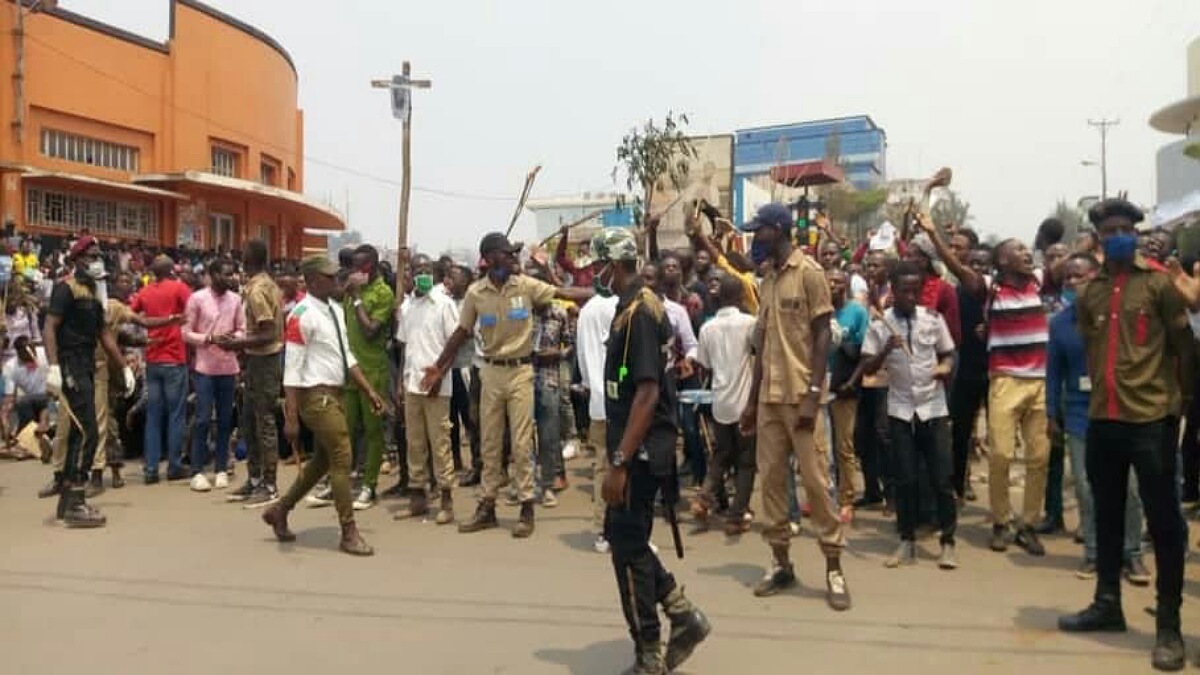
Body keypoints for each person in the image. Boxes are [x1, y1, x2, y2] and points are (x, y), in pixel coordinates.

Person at [1058, 199, 1192, 672]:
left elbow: (1185, 350)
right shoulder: (1089, 291)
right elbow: (1091, 350)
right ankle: (1107, 604)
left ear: (1136, 233)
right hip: (1104, 421)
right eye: (1110, 229)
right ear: (1097, 237)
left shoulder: (1159, 284)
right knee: (1107, 516)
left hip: (1151, 420)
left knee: (1164, 524)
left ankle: (1169, 627)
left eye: (1127, 228)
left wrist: (1182, 409)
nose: (1120, 235)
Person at [591, 227, 710, 674]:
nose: (594, 273)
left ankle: (649, 653)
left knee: (629, 551)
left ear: (615, 264)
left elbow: (644, 393)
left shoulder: (641, 312)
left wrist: (620, 462)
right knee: (630, 542)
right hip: (637, 443)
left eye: (598, 264)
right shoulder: (632, 307)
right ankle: (682, 614)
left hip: (639, 450)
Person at [420, 232, 592, 539]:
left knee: (523, 442)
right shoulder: (476, 293)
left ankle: (527, 506)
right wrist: (439, 366)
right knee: (490, 443)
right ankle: (488, 505)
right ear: (490, 258)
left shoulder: (524, 285)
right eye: (507, 253)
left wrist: (599, 291)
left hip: (521, 371)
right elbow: (461, 333)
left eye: (514, 254)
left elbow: (565, 292)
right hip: (490, 372)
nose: (514, 258)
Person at [738, 203, 851, 610]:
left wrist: (812, 392)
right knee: (770, 485)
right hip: (769, 399)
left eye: (760, 231)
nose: (755, 237)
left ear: (780, 230)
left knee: (818, 485)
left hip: (801, 396)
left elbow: (823, 335)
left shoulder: (810, 274)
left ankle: (834, 569)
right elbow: (762, 346)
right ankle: (781, 562)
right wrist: (751, 403)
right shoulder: (767, 280)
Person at [917, 214, 1049, 556]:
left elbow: (1069, 263)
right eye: (1017, 249)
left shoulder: (1038, 281)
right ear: (1002, 261)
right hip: (1004, 379)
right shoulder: (990, 288)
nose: (1025, 252)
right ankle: (1001, 521)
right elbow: (960, 271)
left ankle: (1029, 524)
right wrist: (933, 233)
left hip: (1039, 382)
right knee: (1002, 454)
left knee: (1039, 456)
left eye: (1026, 247)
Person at [260, 255, 386, 557]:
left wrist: (369, 390)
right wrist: (291, 417)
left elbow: (347, 355)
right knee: (343, 455)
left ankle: (281, 510)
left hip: (336, 392)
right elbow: (291, 369)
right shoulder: (301, 315)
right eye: (331, 278)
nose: (337, 282)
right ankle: (348, 532)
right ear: (314, 281)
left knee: (322, 461)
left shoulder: (334, 309)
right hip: (315, 396)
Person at [1046, 253, 1149, 583]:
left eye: (1080, 276)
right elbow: (1054, 372)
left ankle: (1132, 554)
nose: (1073, 283)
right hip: (1079, 415)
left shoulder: (1118, 316)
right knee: (1087, 488)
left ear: (1097, 277)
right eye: (1068, 279)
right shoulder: (1060, 323)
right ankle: (1093, 552)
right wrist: (1051, 413)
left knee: (1130, 489)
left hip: (1122, 412)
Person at [861, 261, 958, 569]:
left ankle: (948, 542)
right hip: (901, 409)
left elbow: (949, 353)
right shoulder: (880, 324)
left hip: (933, 407)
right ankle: (906, 540)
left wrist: (945, 368)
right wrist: (885, 350)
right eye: (905, 291)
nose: (911, 297)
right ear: (893, 290)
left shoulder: (933, 319)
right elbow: (866, 368)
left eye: (916, 291)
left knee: (942, 478)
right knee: (905, 478)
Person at [43, 236, 134, 528]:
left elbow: (104, 335)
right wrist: (54, 366)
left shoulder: (95, 293)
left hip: (87, 364)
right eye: (91, 256)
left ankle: (67, 499)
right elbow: (49, 326)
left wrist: (124, 368)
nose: (96, 261)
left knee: (79, 434)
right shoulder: (66, 288)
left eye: (98, 256)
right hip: (70, 363)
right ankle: (77, 500)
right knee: (87, 432)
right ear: (77, 258)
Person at [217, 239, 285, 507]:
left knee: (264, 422)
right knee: (249, 421)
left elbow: (268, 332)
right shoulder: (266, 283)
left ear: (248, 260)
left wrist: (236, 344)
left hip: (265, 361)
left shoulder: (257, 290)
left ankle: (269, 484)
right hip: (257, 361)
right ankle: (254, 479)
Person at [393, 256, 458, 524]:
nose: (422, 274)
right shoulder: (407, 307)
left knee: (440, 443)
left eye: (427, 270)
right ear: (409, 274)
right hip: (412, 384)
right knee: (415, 444)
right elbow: (405, 347)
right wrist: (401, 382)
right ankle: (417, 498)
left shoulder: (444, 304)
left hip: (437, 385)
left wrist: (440, 376)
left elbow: (454, 344)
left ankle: (446, 500)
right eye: (417, 270)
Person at [691, 275, 757, 535]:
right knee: (746, 462)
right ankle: (736, 515)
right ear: (741, 297)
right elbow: (758, 354)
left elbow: (704, 364)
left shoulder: (708, 327)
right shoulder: (749, 323)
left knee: (720, 454)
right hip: (744, 401)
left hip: (720, 400)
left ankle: (704, 496)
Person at [338, 244, 394, 510]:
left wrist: (358, 297)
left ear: (368, 267)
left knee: (373, 431)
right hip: (350, 369)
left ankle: (370, 485)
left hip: (373, 371)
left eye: (356, 267)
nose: (352, 272)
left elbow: (371, 330)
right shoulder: (350, 290)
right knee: (347, 429)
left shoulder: (383, 293)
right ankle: (344, 479)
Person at [182, 259, 244, 493]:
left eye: (232, 275)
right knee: (202, 419)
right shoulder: (197, 298)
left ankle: (220, 468)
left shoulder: (236, 300)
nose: (230, 279)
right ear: (214, 274)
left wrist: (233, 338)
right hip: (205, 368)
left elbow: (242, 328)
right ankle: (197, 470)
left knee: (226, 420)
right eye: (226, 274)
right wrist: (207, 339)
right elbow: (186, 333)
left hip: (228, 367)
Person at [130, 254, 192, 483]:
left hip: (153, 358)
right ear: (171, 270)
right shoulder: (179, 288)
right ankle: (174, 466)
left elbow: (132, 312)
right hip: (174, 357)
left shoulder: (145, 292)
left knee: (153, 415)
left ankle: (151, 469)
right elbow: (193, 310)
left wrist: (149, 325)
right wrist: (177, 321)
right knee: (176, 414)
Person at [822, 268, 868, 521]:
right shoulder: (818, 310)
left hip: (844, 389)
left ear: (847, 285)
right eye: (830, 280)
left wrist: (852, 382)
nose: (834, 285)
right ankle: (823, 496)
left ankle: (846, 498)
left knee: (843, 447)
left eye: (839, 281)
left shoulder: (857, 313)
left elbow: (865, 352)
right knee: (820, 449)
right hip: (820, 387)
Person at [576, 279, 619, 553]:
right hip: (620, 401)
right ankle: (620, 531)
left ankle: (602, 530)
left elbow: (582, 357)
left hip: (598, 402)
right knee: (623, 467)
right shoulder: (619, 306)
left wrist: (592, 386)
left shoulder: (586, 310)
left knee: (602, 468)